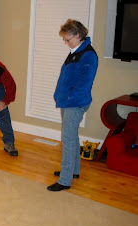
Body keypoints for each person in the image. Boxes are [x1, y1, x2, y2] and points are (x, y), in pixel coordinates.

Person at [47, 19, 98, 191]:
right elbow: (66, 77)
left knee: (67, 139)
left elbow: (84, 84)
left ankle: (65, 180)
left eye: (68, 39)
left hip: (74, 104)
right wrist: (59, 94)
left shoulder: (88, 55)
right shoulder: (75, 51)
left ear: (78, 34)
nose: (65, 42)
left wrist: (69, 98)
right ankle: (73, 171)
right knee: (72, 137)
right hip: (67, 101)